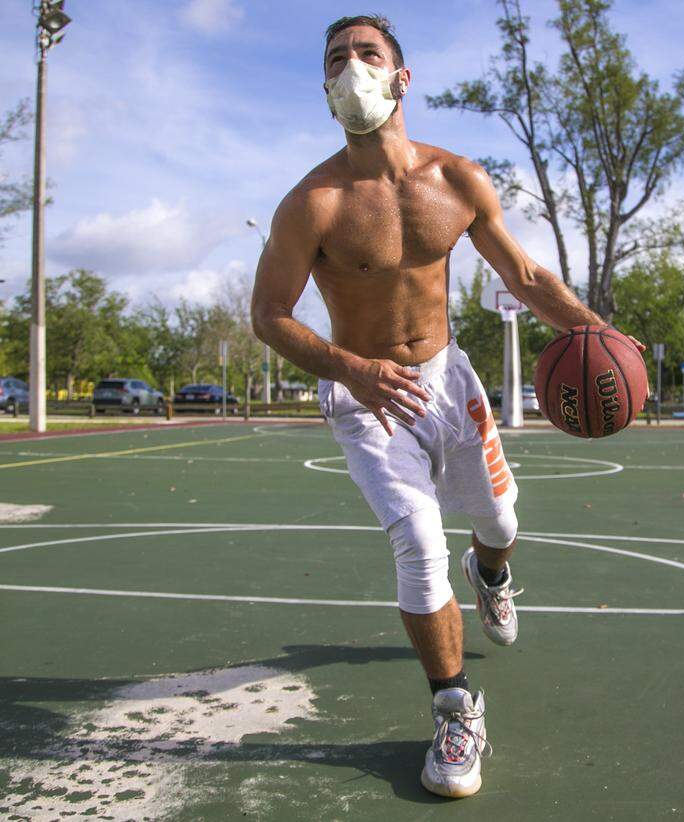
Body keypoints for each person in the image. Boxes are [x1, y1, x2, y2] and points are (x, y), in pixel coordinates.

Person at [250, 14, 645, 798]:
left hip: (448, 379)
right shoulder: (311, 204)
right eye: (336, 59)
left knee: (498, 523)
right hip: (366, 398)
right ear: (325, 88)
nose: (351, 67)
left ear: (402, 77)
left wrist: (598, 333)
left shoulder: (457, 179)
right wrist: (349, 368)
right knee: (418, 541)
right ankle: (455, 709)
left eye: (368, 54)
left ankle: (491, 573)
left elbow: (527, 278)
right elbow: (269, 316)